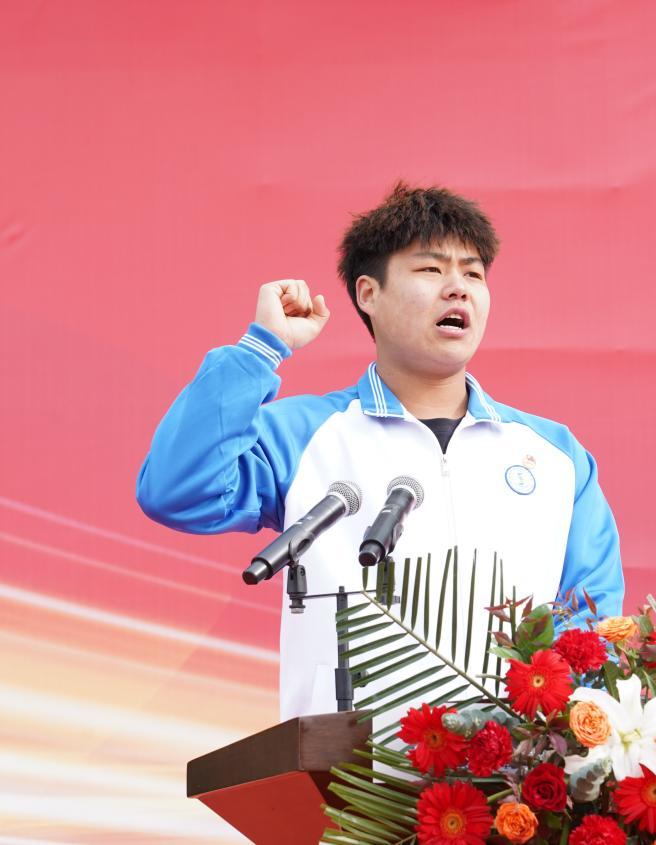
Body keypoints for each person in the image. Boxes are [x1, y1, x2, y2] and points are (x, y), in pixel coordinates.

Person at [137, 182, 623, 720]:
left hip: (512, 765)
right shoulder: (304, 434)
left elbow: (590, 630)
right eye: (431, 270)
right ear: (368, 293)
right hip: (350, 765)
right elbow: (177, 493)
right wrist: (260, 349)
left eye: (473, 274)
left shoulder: (554, 455)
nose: (458, 289)